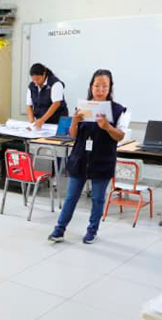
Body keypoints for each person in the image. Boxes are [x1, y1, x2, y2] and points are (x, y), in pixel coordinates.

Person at [46, 69, 129, 245]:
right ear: (91, 87)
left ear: (110, 88)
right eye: (97, 86)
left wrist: (107, 126)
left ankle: (92, 231)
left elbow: (120, 136)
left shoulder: (118, 110)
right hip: (80, 159)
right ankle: (59, 230)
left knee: (98, 198)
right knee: (71, 197)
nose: (100, 90)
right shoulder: (83, 107)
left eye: (104, 86)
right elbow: (73, 135)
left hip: (102, 160)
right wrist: (75, 120)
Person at [26, 63, 67, 130]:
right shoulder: (31, 86)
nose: (36, 82)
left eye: (38, 79)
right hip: (42, 123)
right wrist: (32, 122)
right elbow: (29, 105)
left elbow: (56, 103)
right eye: (33, 80)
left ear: (44, 74)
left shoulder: (55, 84)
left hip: (58, 121)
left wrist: (42, 120)